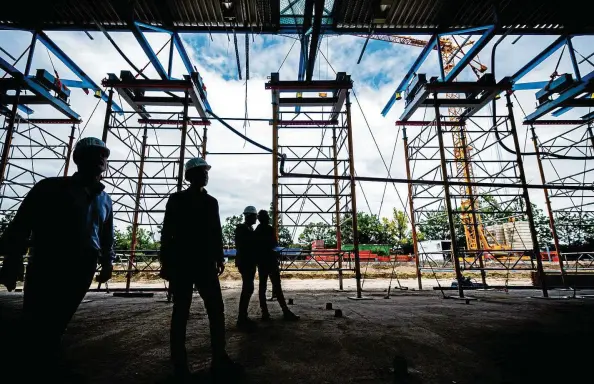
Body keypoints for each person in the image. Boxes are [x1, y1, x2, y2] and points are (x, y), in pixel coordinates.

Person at [0, 137, 115, 379]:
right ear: (79, 159)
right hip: (49, 262)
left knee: (61, 316)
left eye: (103, 155)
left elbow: (106, 235)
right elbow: (21, 225)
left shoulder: (105, 199)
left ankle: (45, 359)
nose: (101, 159)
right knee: (35, 316)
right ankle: (27, 367)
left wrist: (107, 260)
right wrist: (12, 259)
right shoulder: (49, 188)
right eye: (94, 154)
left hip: (84, 266)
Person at [159, 157, 242, 382]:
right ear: (189, 176)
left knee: (213, 310)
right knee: (184, 312)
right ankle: (182, 363)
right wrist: (165, 262)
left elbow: (216, 231)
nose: (205, 175)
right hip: (186, 263)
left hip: (200, 263)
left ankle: (217, 357)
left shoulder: (208, 202)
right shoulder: (178, 200)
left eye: (205, 171)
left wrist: (219, 257)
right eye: (200, 171)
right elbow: (167, 232)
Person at [254, 210, 299, 321]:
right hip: (271, 261)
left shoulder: (257, 231)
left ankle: (265, 313)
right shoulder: (270, 229)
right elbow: (274, 245)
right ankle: (285, 311)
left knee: (262, 287)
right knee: (277, 287)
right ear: (266, 218)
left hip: (262, 263)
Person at [234, 206, 259, 331]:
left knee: (248, 289)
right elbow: (244, 246)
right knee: (247, 288)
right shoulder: (242, 229)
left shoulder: (248, 229)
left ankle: (243, 316)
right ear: (249, 216)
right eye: (255, 216)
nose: (256, 218)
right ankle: (241, 318)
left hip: (249, 262)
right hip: (246, 263)